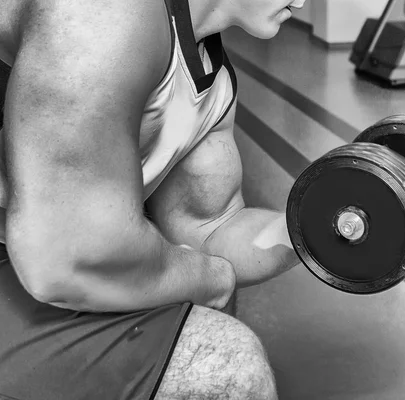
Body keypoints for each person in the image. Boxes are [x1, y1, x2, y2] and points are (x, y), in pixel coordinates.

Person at [0, 0, 304, 398]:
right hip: (40, 258)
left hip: (29, 255)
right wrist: (212, 279)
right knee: (225, 367)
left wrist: (314, 223)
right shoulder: (105, 11)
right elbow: (65, 255)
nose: (302, 2)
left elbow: (207, 230)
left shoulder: (211, 77)